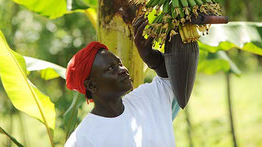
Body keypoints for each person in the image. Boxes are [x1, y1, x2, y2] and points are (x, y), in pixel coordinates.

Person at [64, 16, 180, 147]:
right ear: (91, 85)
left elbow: (171, 78)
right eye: (111, 68)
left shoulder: (146, 99)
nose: (123, 69)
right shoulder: (83, 140)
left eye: (119, 63)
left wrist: (151, 57)